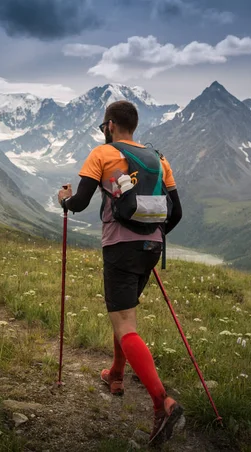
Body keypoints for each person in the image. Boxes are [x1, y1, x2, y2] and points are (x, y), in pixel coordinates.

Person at [57, 100, 184, 445]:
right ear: (134, 125)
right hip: (152, 249)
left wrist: (63, 200)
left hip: (119, 247)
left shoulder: (102, 155)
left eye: (104, 127)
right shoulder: (159, 160)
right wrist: (150, 237)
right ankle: (116, 374)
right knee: (124, 312)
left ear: (110, 125)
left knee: (125, 322)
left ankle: (163, 403)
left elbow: (80, 203)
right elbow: (177, 213)